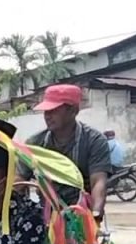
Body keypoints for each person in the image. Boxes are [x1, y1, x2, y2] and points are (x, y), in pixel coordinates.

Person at [21, 84, 112, 219]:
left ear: (73, 111)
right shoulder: (35, 143)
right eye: (46, 111)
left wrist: (96, 213)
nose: (47, 116)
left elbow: (98, 181)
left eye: (54, 110)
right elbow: (19, 178)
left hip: (82, 215)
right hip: (47, 216)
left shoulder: (94, 140)